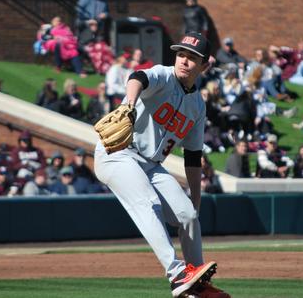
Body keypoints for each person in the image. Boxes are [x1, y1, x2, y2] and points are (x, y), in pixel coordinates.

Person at [93, 32, 229, 297]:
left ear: (204, 66)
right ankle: (177, 274)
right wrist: (129, 104)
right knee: (148, 203)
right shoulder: (163, 75)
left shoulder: (198, 106)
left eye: (192, 58)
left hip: (151, 165)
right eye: (181, 55)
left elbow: (193, 156)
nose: (184, 61)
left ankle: (196, 285)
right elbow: (138, 77)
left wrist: (196, 202)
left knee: (188, 216)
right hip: (118, 153)